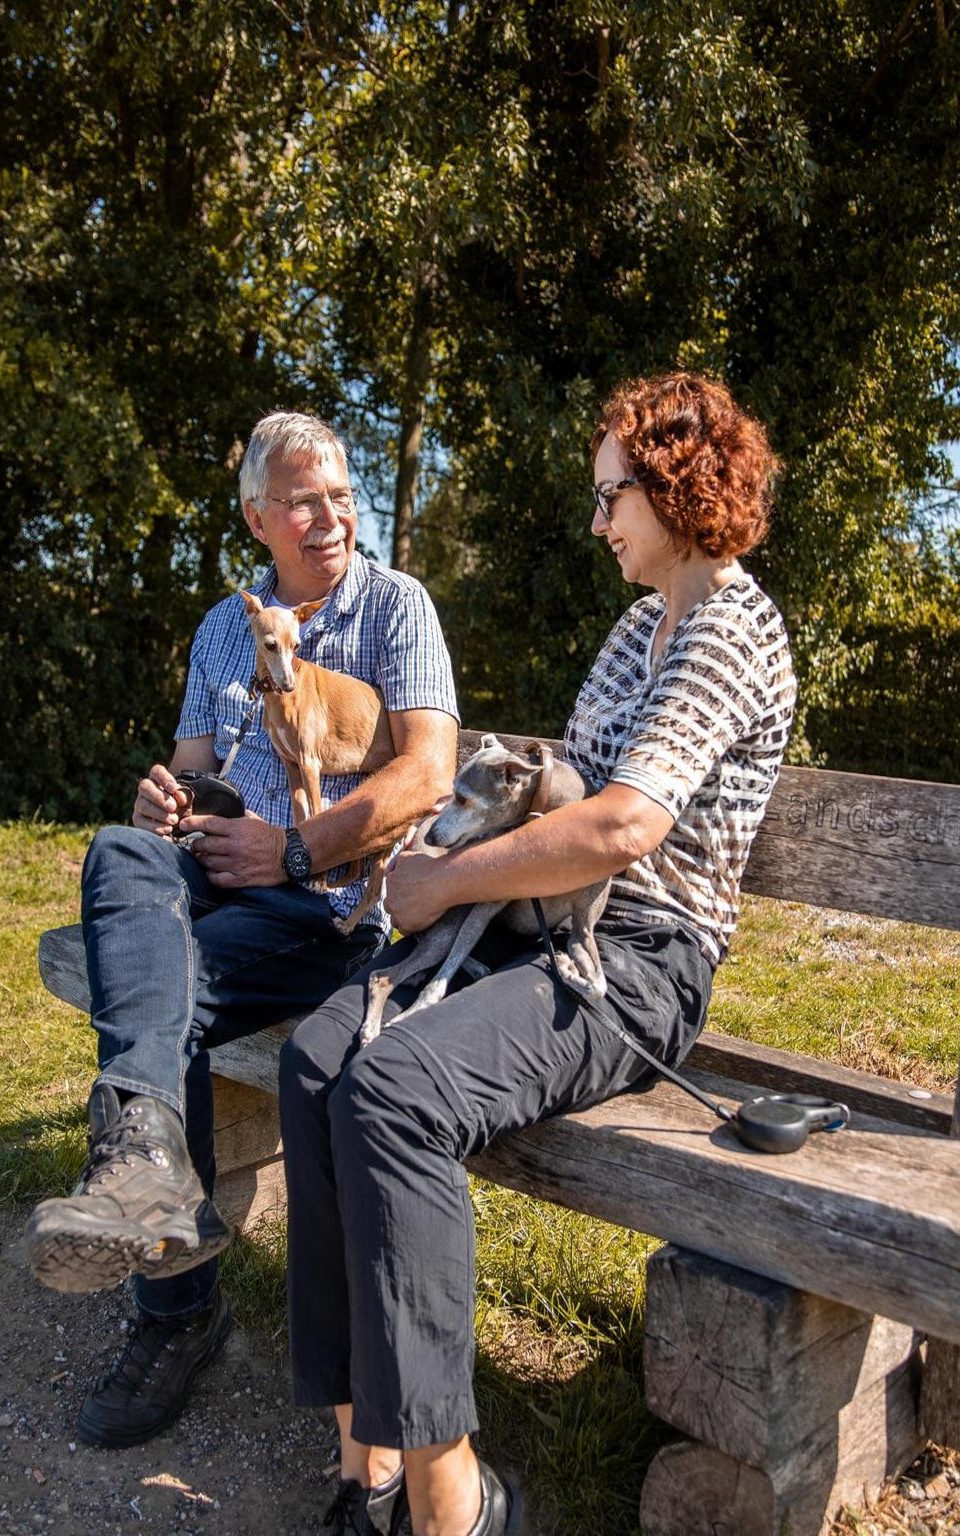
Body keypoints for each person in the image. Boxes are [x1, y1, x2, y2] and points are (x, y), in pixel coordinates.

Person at [276, 372, 798, 1536]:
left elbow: (621, 824)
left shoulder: (731, 626)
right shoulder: (635, 627)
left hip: (642, 963)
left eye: (613, 494)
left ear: (678, 487)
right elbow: (568, 786)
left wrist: (438, 883)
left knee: (396, 1093)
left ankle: (451, 1498)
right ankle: (363, 1457)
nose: (600, 519)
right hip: (544, 931)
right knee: (319, 1061)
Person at [26, 411, 459, 1460]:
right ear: (258, 516)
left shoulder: (395, 610)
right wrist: (167, 804)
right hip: (215, 886)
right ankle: (147, 1165)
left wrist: (294, 851)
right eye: (305, 500)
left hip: (328, 909)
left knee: (152, 990)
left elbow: (425, 777)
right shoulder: (224, 630)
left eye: (343, 494)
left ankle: (172, 1308)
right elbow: (190, 768)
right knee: (121, 855)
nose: (331, 517)